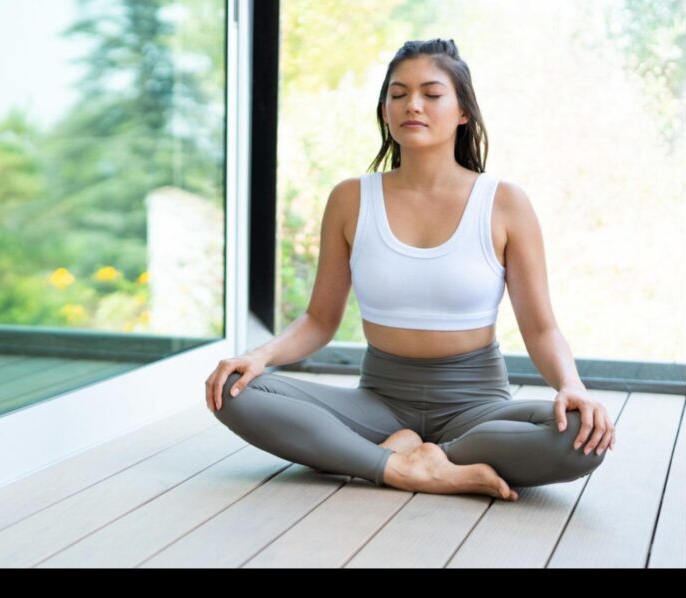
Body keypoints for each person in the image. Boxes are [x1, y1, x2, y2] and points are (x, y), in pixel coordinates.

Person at [205, 38, 616, 501]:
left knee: (582, 435)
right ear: (385, 111)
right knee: (234, 389)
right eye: (397, 94)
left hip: (476, 407)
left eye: (431, 94)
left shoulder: (504, 202)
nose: (412, 105)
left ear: (463, 112)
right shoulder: (350, 199)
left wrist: (571, 385)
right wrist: (259, 357)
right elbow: (319, 320)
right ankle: (406, 468)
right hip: (378, 404)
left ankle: (401, 456)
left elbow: (541, 328)